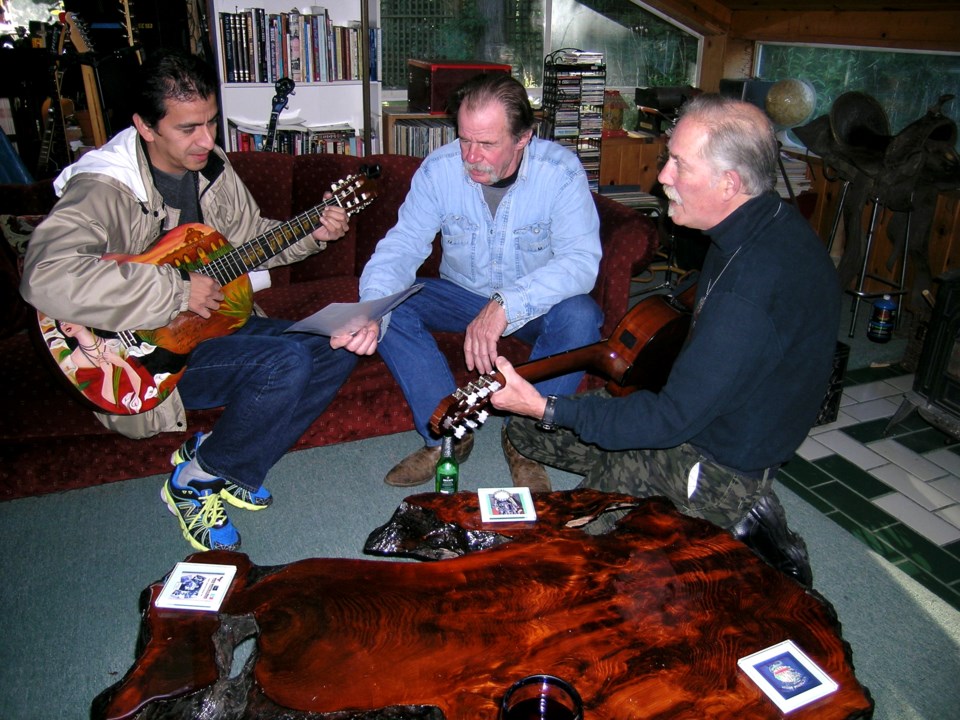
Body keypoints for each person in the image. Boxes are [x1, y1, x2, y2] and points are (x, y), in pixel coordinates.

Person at [489, 94, 842, 587]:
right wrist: (543, 415)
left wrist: (548, 408)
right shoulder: (761, 223)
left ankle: (741, 521)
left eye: (679, 163)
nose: (663, 178)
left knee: (570, 556)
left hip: (712, 464)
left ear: (729, 183)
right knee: (525, 431)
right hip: (695, 417)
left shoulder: (752, 290)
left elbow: (666, 421)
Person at [20, 49, 358, 552]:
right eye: (188, 128)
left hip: (213, 327)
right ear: (145, 126)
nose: (207, 141)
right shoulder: (104, 188)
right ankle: (194, 482)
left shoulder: (212, 167)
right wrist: (175, 290)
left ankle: (228, 461)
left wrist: (315, 229)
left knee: (340, 342)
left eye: (212, 123)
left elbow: (249, 240)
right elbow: (44, 275)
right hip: (140, 358)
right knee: (285, 360)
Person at [344, 72, 603, 490]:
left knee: (582, 316)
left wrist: (504, 304)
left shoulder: (560, 172)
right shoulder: (439, 170)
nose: (470, 156)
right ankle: (449, 432)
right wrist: (372, 308)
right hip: (461, 296)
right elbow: (403, 245)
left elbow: (581, 263)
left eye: (487, 143)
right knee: (390, 302)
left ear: (522, 138)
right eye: (465, 139)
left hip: (536, 305)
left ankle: (524, 440)